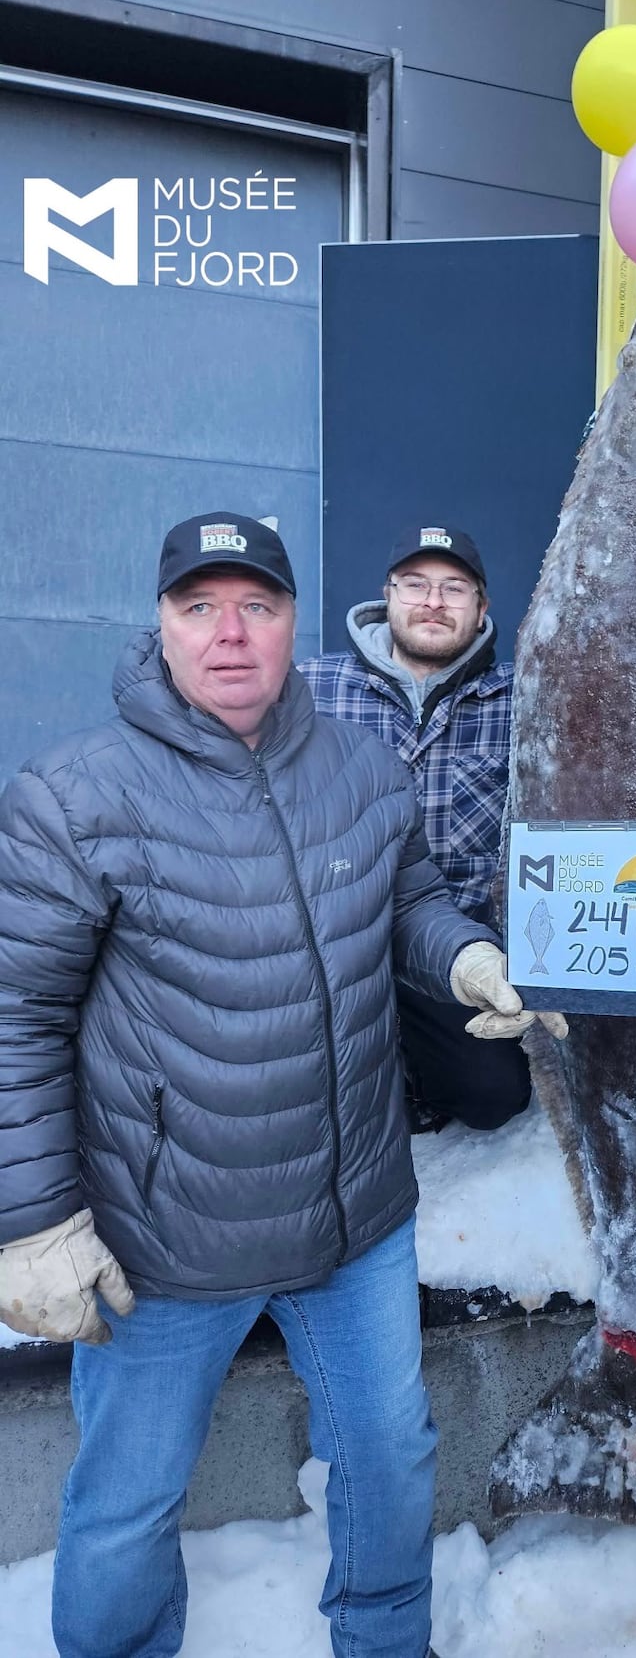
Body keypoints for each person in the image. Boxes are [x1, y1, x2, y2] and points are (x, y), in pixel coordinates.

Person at [0, 512, 563, 1658]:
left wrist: (462, 954)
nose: (229, 635)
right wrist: (31, 1222)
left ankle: (383, 1640)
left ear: (296, 620)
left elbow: (403, 902)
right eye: (198, 607)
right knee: (125, 1501)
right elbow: (18, 1010)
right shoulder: (73, 796)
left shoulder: (357, 766)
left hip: (350, 1217)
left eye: (255, 606)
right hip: (166, 1236)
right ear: (158, 625)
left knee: (391, 1457)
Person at [300, 523, 529, 1134]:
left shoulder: (524, 702)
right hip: (334, 945)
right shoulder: (309, 689)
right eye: (416, 584)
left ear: (481, 606)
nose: (432, 601)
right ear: (387, 595)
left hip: (453, 948)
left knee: (493, 1097)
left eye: (454, 588)